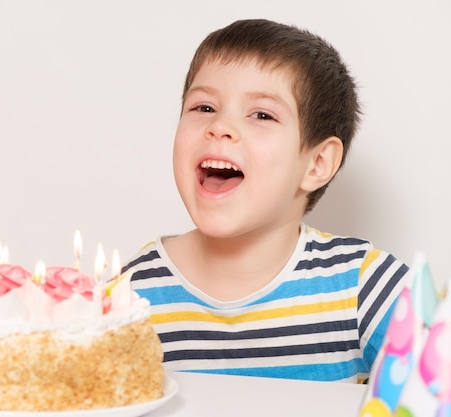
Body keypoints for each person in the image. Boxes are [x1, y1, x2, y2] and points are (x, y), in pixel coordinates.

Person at [123, 19, 409, 383]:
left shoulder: (362, 285)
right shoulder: (131, 295)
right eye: (204, 108)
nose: (219, 126)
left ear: (317, 164)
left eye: (262, 114)